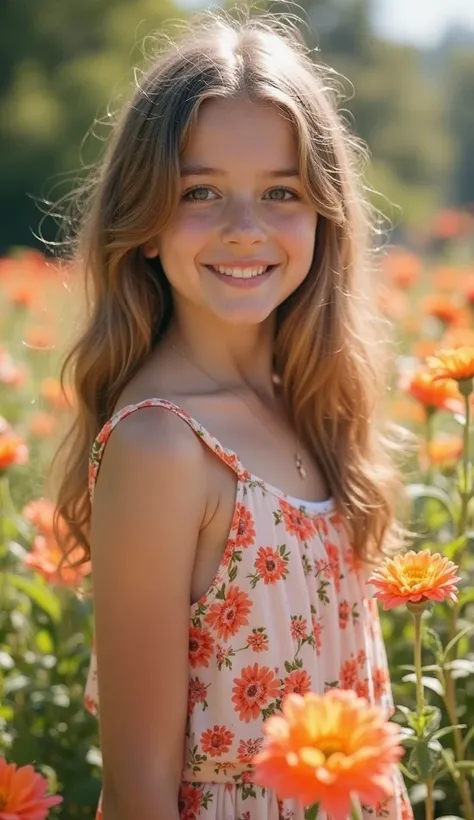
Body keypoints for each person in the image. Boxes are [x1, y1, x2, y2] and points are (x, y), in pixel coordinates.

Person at [52, 9, 414, 820]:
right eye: (201, 192)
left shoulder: (313, 408)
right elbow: (138, 789)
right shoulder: (163, 445)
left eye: (280, 192)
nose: (244, 229)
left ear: (324, 215)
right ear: (142, 224)